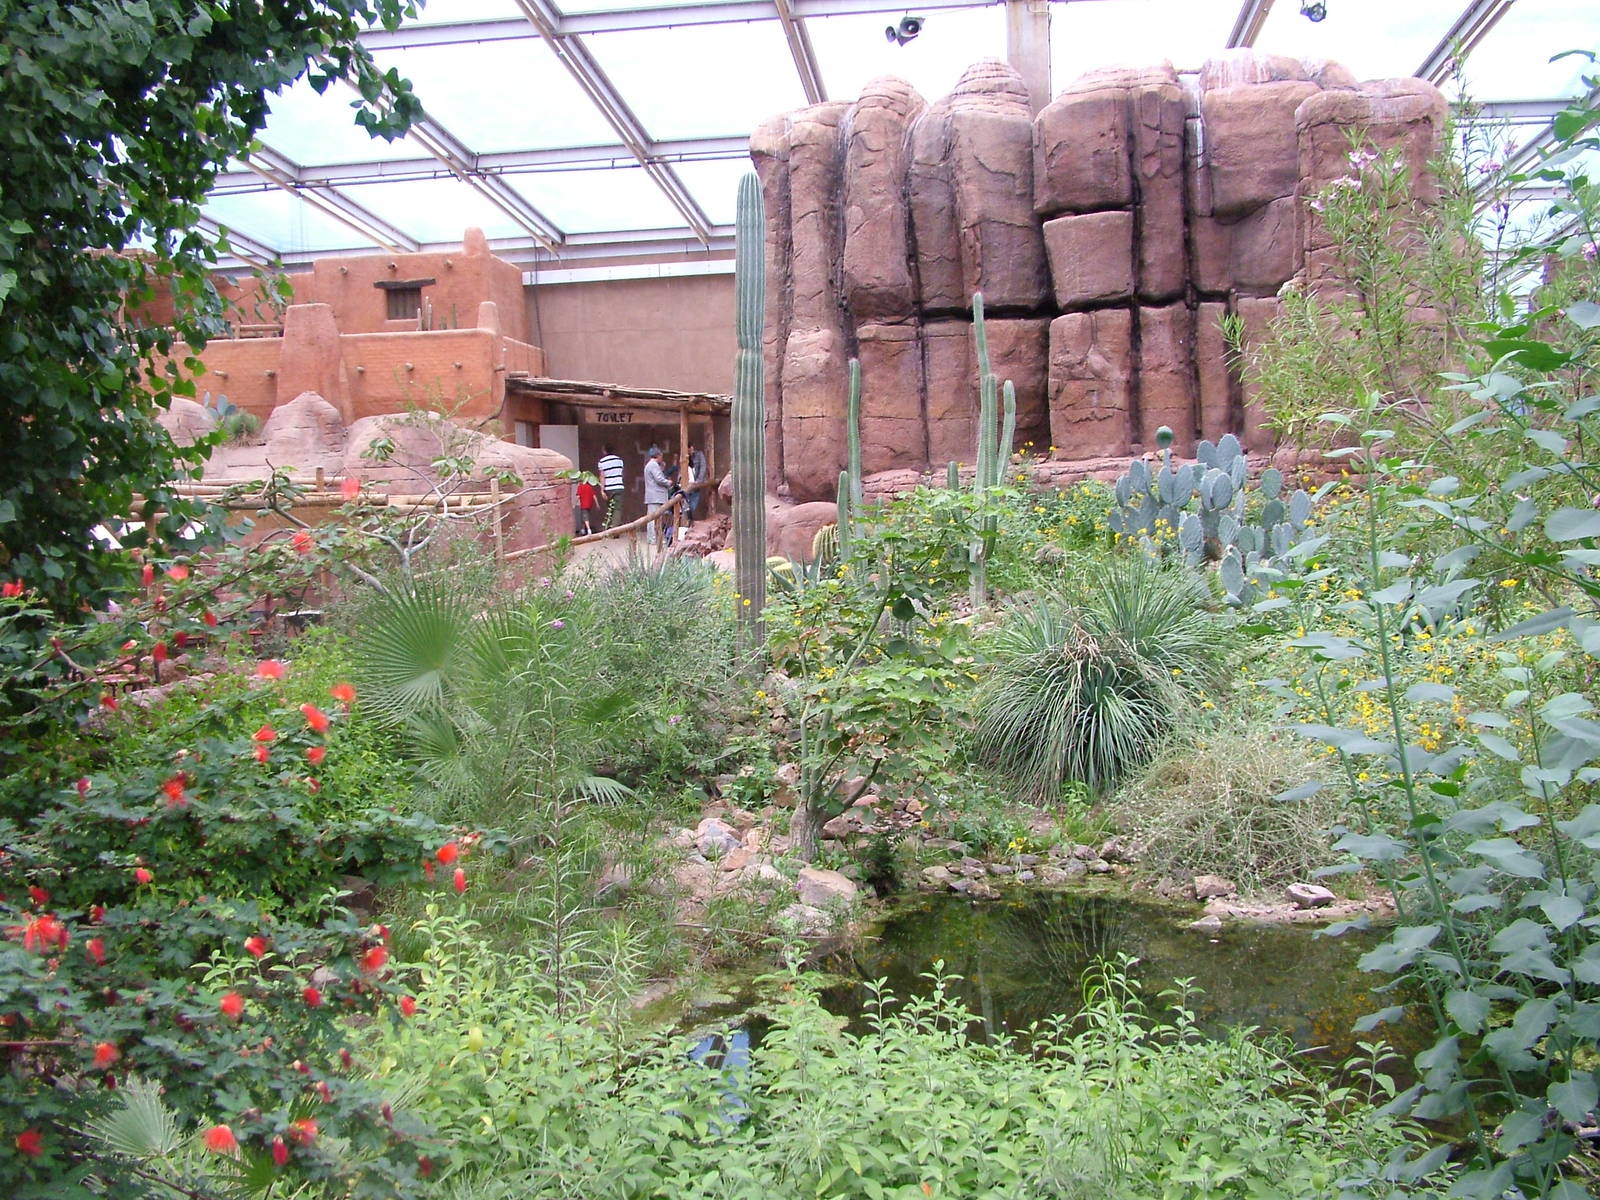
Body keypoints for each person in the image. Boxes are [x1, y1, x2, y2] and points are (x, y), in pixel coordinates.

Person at [642, 447, 671, 548]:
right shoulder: (653, 465)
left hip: (653, 496)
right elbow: (659, 479)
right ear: (658, 455)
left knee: (653, 518)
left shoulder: (650, 465)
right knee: (653, 518)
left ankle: (653, 538)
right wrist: (668, 482)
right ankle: (653, 538)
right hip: (656, 496)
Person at [597, 445, 625, 528]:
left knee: (610, 509)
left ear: (604, 451)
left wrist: (602, 490)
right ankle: (614, 528)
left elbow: (602, 476)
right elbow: (622, 473)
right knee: (617, 509)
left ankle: (609, 528)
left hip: (608, 488)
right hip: (619, 487)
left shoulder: (602, 462)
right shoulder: (619, 460)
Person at [684, 442, 707, 526]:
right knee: (686, 506)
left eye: (689, 449)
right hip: (687, 484)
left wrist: (698, 481)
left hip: (695, 484)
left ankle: (690, 522)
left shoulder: (699, 455)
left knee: (692, 505)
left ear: (691, 448)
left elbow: (703, 468)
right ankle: (688, 522)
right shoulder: (685, 457)